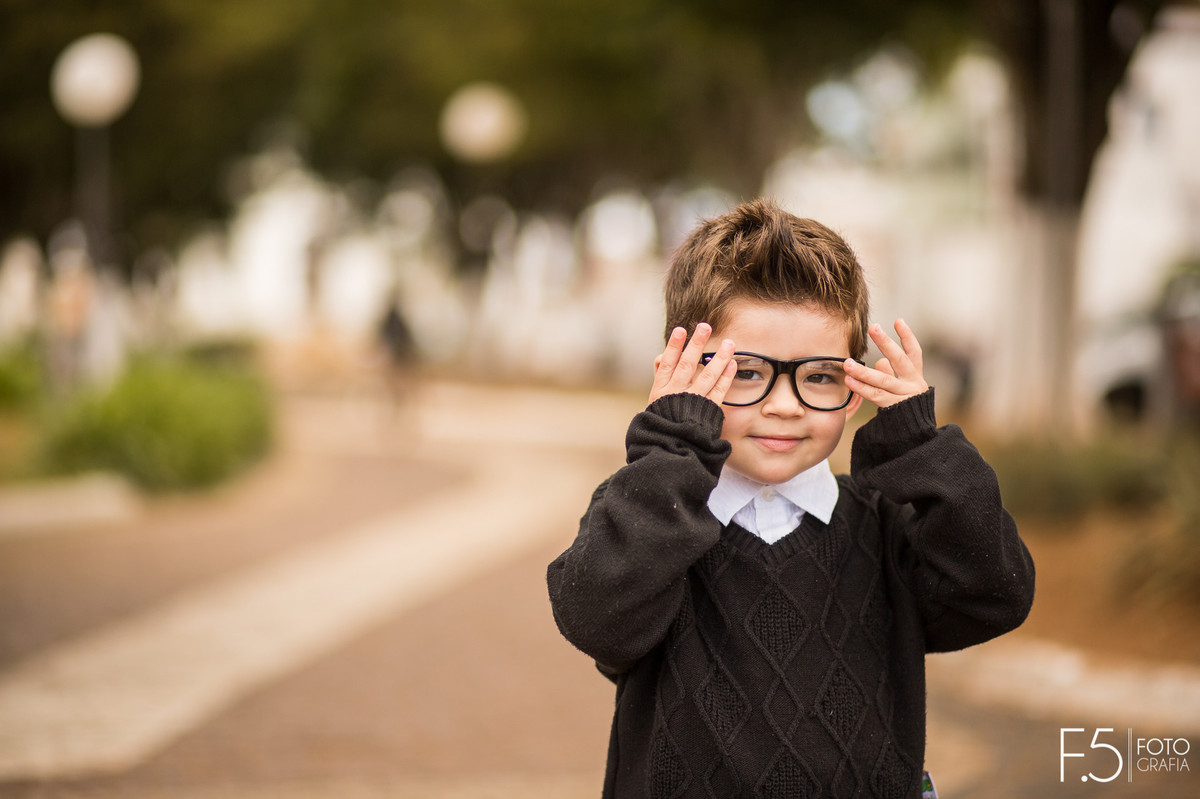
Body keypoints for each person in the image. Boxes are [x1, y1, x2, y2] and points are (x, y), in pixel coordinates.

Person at [547, 199, 1035, 799]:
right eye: (745, 373)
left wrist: (920, 447)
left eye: (821, 376)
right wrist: (672, 443)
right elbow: (596, 617)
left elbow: (997, 594)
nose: (786, 404)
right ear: (679, 375)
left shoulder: (888, 526)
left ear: (855, 389)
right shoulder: (652, 516)